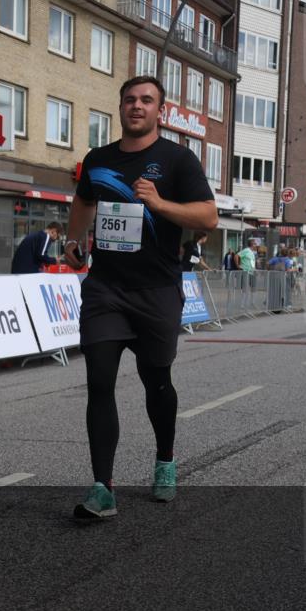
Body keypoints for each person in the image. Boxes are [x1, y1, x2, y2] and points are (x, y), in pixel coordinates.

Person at [62, 75, 217, 519]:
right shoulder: (98, 159)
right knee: (99, 384)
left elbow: (208, 217)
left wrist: (160, 204)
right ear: (120, 107)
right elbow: (83, 200)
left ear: (159, 111)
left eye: (147, 100)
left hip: (156, 292)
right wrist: (74, 239)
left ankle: (165, 460)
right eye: (130, 99)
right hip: (106, 290)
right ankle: (102, 488)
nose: (137, 106)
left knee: (157, 382)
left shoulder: (177, 159)